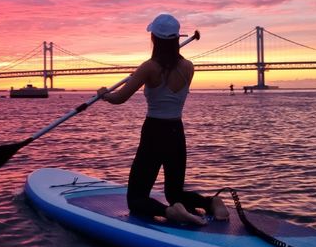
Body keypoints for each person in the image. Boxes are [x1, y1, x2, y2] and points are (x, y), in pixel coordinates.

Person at [98, 14, 229, 226]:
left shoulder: (148, 67)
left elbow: (119, 98)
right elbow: (169, 71)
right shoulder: (189, 66)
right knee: (174, 192)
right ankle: (211, 202)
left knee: (136, 198)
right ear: (177, 39)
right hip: (177, 132)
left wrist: (104, 94)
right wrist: (139, 75)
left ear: (154, 39)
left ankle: (170, 213)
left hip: (154, 132)